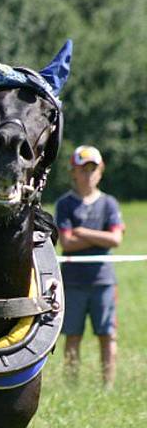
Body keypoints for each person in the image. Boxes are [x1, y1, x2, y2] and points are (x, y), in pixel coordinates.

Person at [55, 145, 125, 387]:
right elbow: (66, 242)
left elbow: (116, 239)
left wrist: (82, 231)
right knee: (72, 336)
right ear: (73, 171)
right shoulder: (65, 204)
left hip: (103, 281)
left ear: (101, 171)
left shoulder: (110, 204)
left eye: (93, 169)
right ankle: (71, 386)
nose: (88, 174)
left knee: (107, 335)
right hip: (73, 281)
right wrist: (99, 236)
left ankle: (108, 386)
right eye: (83, 169)